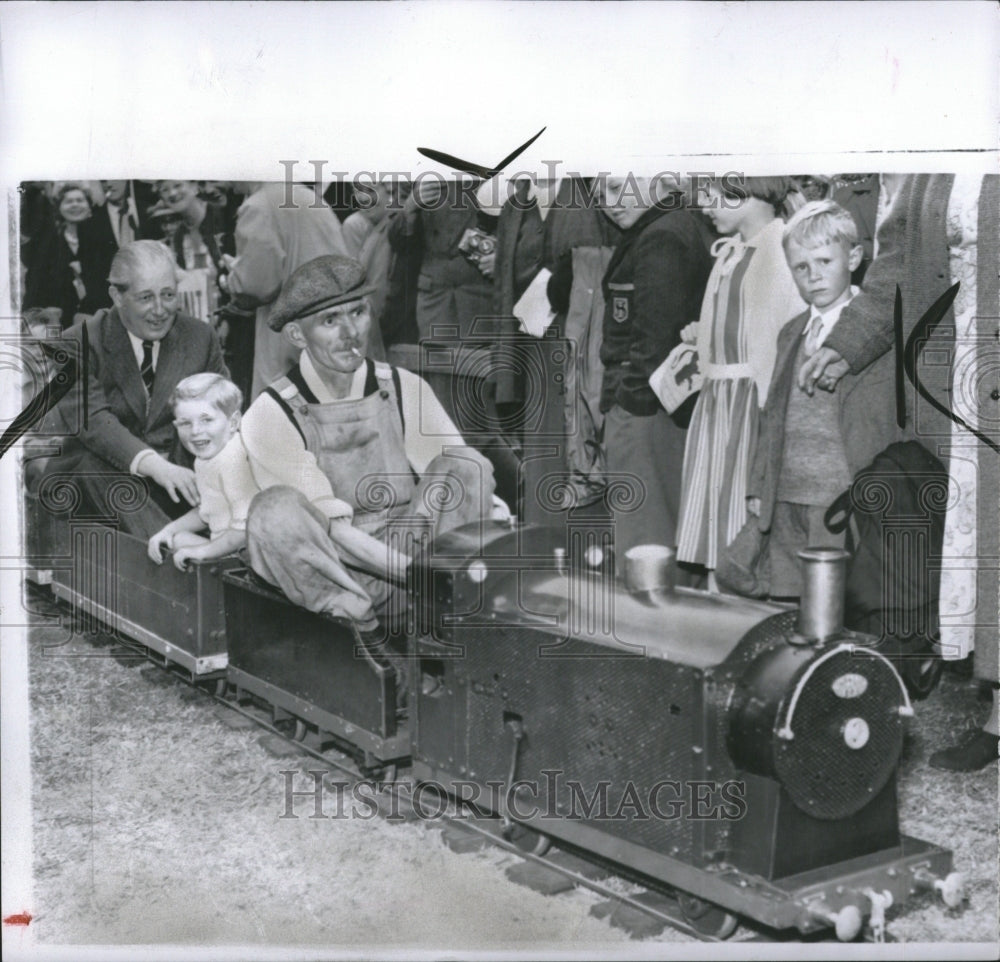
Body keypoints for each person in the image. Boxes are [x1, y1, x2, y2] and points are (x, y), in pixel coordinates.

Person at [800, 174, 999, 771]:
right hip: (954, 376)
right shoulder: (936, 160)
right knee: (982, 543)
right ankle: (996, 713)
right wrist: (846, 344)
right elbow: (891, 269)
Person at [240, 254, 501, 630]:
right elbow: (336, 533)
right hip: (338, 573)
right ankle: (362, 634)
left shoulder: (402, 386)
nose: (351, 333)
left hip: (415, 560)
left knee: (467, 465)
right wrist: (419, 576)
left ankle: (443, 624)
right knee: (273, 511)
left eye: (358, 313)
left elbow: (466, 483)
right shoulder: (270, 413)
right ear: (297, 335)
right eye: (331, 320)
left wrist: (494, 529)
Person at [26, 240, 228, 539]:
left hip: (172, 484)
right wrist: (157, 467)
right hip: (90, 488)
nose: (160, 310)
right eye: (146, 297)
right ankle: (175, 543)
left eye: (168, 295)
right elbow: (93, 423)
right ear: (117, 296)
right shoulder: (76, 343)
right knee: (92, 465)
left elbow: (224, 411)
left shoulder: (200, 337)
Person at [675, 176, 806, 581]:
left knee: (742, 514)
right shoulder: (731, 253)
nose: (704, 205)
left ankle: (740, 594)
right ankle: (718, 594)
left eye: (714, 196)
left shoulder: (782, 249)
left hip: (753, 404)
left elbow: (787, 336)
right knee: (715, 510)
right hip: (719, 402)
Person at [746, 200, 872, 596]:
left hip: (838, 499)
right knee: (785, 601)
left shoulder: (869, 331)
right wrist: (758, 485)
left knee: (833, 604)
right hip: (786, 496)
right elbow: (772, 412)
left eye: (824, 261)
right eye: (802, 268)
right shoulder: (791, 332)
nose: (813, 276)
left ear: (853, 257)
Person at [596, 174, 715, 569]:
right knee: (673, 544)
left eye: (615, 187)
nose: (608, 202)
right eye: (600, 193)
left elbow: (652, 344)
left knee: (644, 548)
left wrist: (623, 410)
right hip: (669, 409)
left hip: (645, 413)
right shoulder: (679, 224)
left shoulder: (661, 236)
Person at [222, 181, 350, 401]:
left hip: (288, 345)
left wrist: (231, 278)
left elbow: (256, 287)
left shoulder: (259, 206)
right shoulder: (308, 197)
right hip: (331, 335)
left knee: (283, 419)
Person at [147, 374, 260, 571]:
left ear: (233, 423)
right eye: (185, 423)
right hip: (228, 546)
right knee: (176, 539)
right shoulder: (206, 458)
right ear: (176, 425)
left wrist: (203, 552)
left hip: (252, 553)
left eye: (206, 420)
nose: (196, 431)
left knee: (182, 550)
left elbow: (245, 531)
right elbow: (208, 512)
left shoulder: (232, 458)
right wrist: (167, 530)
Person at [23, 183, 110, 325]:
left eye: (80, 200)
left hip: (95, 317)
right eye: (68, 201)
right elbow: (37, 284)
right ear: (59, 208)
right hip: (57, 319)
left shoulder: (103, 239)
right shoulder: (49, 242)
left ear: (89, 207)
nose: (75, 205)